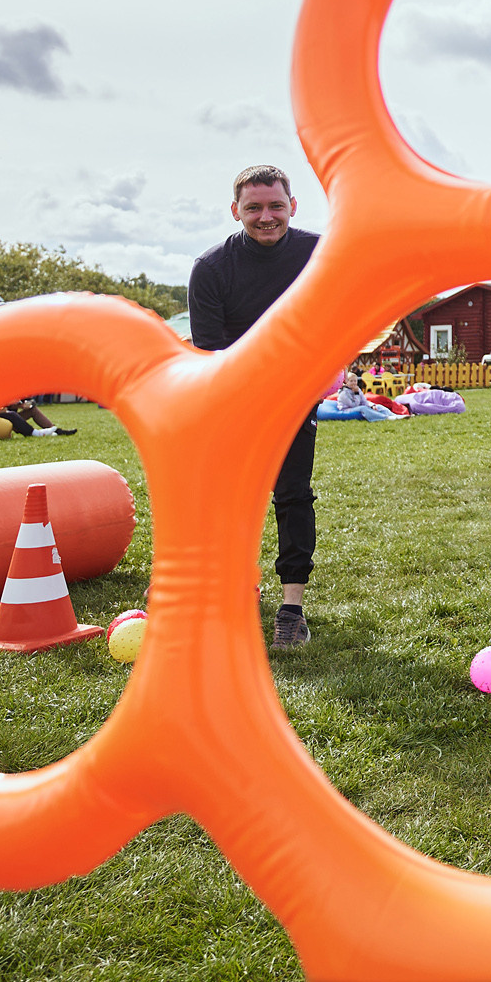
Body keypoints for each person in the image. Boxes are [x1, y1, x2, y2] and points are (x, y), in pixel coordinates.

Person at [189, 163, 325, 649]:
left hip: (295, 395)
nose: (266, 216)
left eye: (275, 206)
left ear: (292, 206)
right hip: (233, 396)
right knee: (226, 497)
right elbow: (210, 351)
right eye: (254, 208)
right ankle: (222, 586)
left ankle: (292, 609)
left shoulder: (318, 255)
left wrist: (328, 367)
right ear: (235, 211)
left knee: (292, 495)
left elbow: (340, 317)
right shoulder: (211, 269)